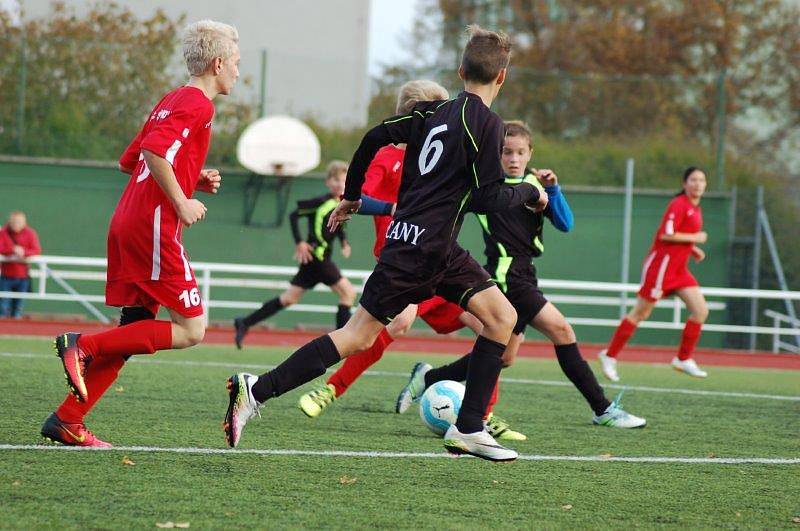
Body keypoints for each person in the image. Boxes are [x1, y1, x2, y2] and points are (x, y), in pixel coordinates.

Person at [224, 25, 547, 462]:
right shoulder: (486, 124)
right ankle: (256, 389)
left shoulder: (432, 112)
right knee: (356, 336)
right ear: (502, 77)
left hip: (430, 245)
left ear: (459, 70)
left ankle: (468, 427)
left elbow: (373, 138)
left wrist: (352, 196)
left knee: (501, 317)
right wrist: (529, 192)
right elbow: (489, 199)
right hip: (421, 249)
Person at [41, 20, 240, 447]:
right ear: (219, 63)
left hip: (128, 220)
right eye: (237, 64)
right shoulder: (198, 106)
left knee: (134, 328)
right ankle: (83, 344)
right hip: (152, 226)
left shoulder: (171, 99)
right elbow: (151, 152)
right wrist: (183, 202)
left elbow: (130, 160)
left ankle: (68, 420)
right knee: (192, 330)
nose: (238, 73)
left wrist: (189, 178)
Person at [397, 121, 646, 429]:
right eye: (506, 152)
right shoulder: (488, 186)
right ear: (497, 154)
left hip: (525, 274)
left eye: (520, 152)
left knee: (504, 357)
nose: (513, 158)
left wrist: (553, 190)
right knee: (562, 331)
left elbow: (565, 224)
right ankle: (603, 408)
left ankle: (430, 377)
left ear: (530, 153)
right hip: (505, 277)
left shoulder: (536, 184)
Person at [295, 80, 489, 425]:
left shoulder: (439, 159)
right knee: (396, 322)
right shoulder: (388, 156)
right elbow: (358, 200)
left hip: (442, 258)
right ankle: (330, 389)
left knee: (493, 329)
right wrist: (393, 206)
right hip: (406, 262)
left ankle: (481, 413)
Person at [599, 167, 710, 381]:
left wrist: (692, 249)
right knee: (640, 313)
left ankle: (683, 359)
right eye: (693, 180)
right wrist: (695, 238)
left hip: (679, 270)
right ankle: (609, 356)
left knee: (701, 311)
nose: (698, 184)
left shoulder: (696, 208)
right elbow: (666, 235)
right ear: (684, 183)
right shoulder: (679, 204)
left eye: (702, 180)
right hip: (661, 268)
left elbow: (679, 236)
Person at [233, 161, 356, 346]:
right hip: (317, 257)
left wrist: (344, 242)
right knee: (348, 293)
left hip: (315, 261)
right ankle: (343, 342)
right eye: (336, 180)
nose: (340, 184)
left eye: (344, 181)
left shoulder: (341, 204)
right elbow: (293, 215)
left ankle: (245, 322)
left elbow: (337, 226)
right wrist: (300, 242)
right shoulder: (320, 203)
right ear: (328, 182)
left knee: (288, 298)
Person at [0, 211, 41, 318]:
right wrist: (12, 250)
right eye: (14, 221)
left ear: (24, 222)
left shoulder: (30, 233)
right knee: (4, 304)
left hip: (23, 276)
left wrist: (24, 252)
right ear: (10, 221)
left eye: (19, 222)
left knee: (18, 306)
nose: (16, 224)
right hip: (6, 276)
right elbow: (1, 248)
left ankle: (15, 326)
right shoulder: (3, 232)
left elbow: (36, 250)